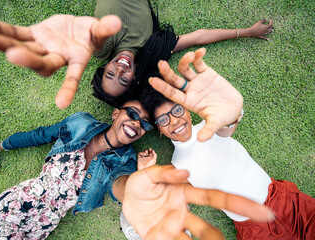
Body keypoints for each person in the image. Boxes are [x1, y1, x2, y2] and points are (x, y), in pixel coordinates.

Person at [0, 99, 273, 240]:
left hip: (43, 225)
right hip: (10, 208)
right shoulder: (79, 124)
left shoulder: (125, 161)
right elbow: (38, 135)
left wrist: (142, 177)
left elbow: (123, 187)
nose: (136, 123)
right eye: (131, 114)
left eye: (143, 123)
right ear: (116, 113)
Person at [133, 48, 315, 239]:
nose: (174, 121)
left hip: (286, 200)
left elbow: (226, 125)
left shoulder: (209, 126)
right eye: (163, 120)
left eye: (177, 110)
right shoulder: (179, 165)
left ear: (187, 110)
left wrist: (232, 113)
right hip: (257, 229)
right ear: (160, 131)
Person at [0, 1, 273, 108]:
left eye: (110, 73)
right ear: (135, 77)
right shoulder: (154, 48)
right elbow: (199, 37)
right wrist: (247, 31)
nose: (119, 69)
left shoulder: (103, 48)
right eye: (123, 78)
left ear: (104, 65)